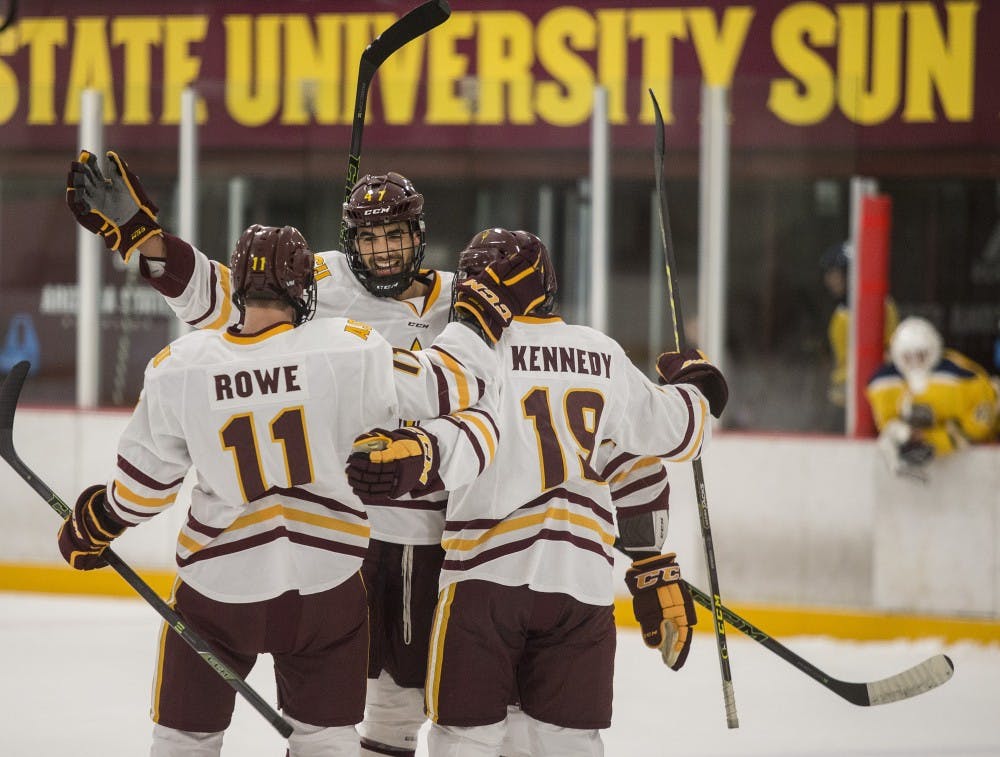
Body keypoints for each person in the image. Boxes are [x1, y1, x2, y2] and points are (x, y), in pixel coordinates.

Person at [64, 153, 545, 757]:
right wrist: (146, 239)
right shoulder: (332, 296)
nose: (385, 251)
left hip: (437, 532)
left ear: (420, 236)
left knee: (410, 705)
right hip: (353, 539)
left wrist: (105, 517)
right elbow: (224, 295)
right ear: (346, 245)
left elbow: (513, 390)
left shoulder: (455, 297)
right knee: (358, 716)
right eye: (369, 238)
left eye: (396, 234)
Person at [346, 228, 728, 757]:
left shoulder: (473, 358)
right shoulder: (602, 354)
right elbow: (673, 438)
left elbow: (450, 442)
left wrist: (413, 453)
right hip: (580, 588)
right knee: (567, 743)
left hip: (486, 581)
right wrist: (698, 385)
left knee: (464, 739)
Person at [866, 315, 998, 480]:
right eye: (908, 357)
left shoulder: (963, 379)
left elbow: (981, 428)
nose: (915, 362)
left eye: (921, 355)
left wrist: (934, 440)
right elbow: (887, 423)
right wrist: (901, 433)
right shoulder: (884, 384)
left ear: (935, 349)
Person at [821, 240, 898, 409]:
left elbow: (888, 353)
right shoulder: (842, 310)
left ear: (849, 274)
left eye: (833, 273)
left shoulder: (879, 307)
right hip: (842, 394)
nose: (829, 280)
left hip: (865, 395)